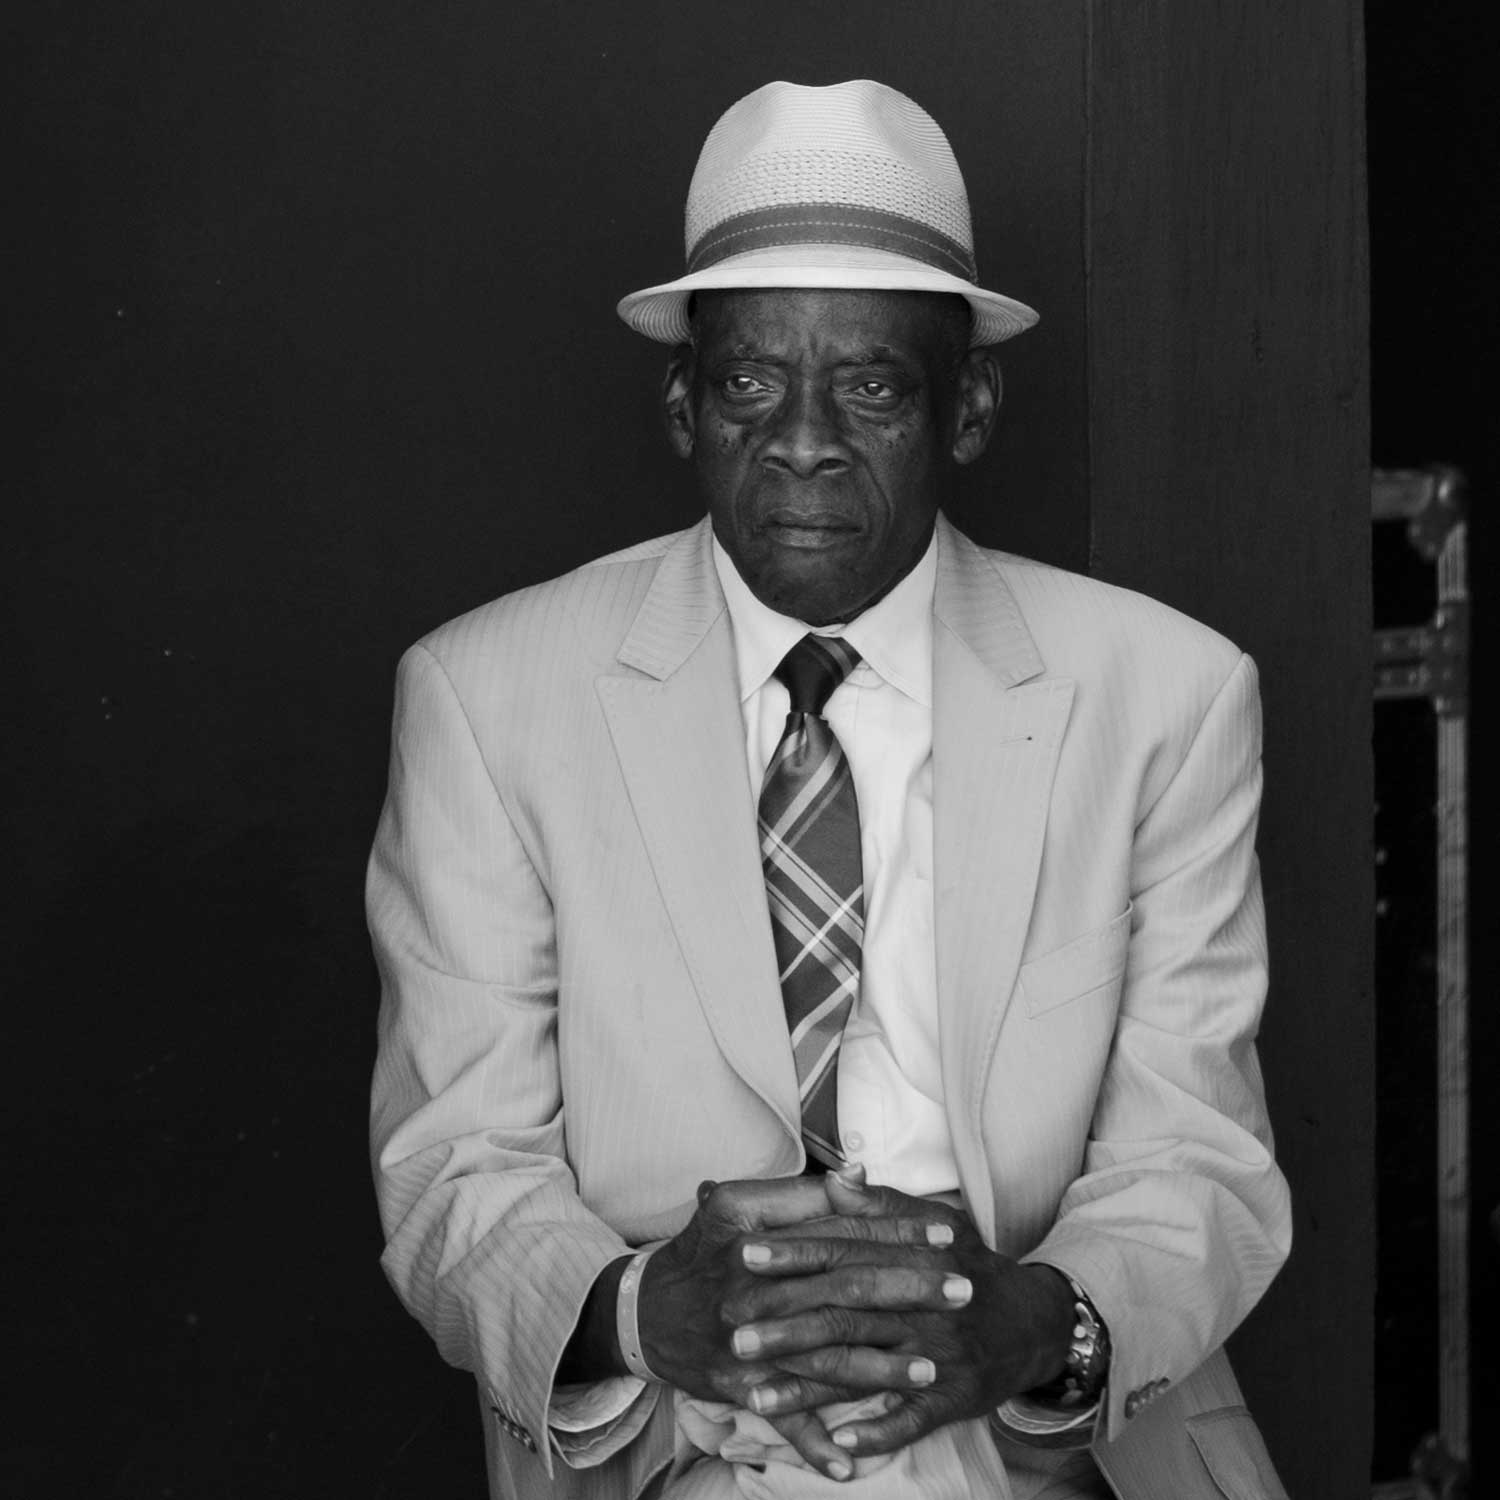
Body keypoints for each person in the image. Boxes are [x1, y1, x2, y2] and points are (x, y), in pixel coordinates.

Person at [367, 80, 1292, 1500]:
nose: (803, 438)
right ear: (683, 405)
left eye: (870, 386)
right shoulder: (487, 699)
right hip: (675, 1444)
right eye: (750, 382)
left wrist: (1031, 1324)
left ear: (968, 408)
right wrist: (641, 1311)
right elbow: (453, 1168)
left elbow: (1202, 1156)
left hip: (1051, 1449)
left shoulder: (1167, 696)